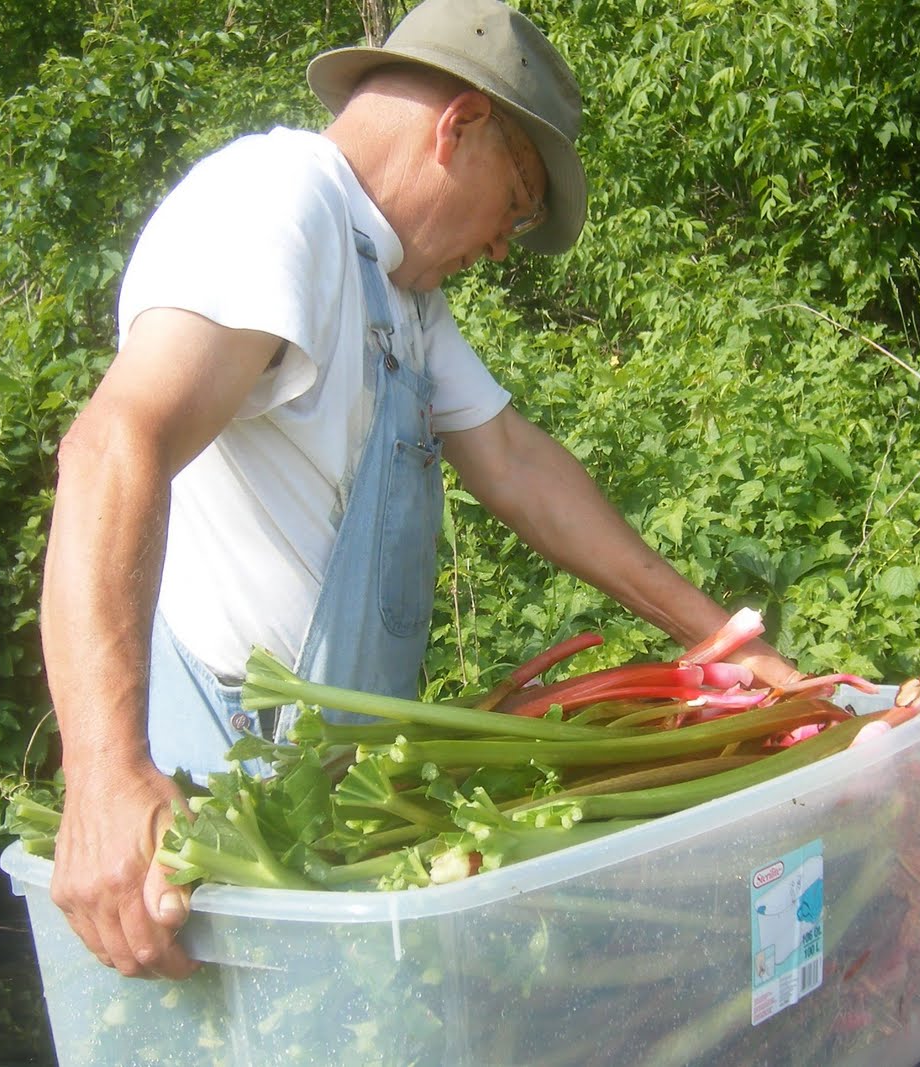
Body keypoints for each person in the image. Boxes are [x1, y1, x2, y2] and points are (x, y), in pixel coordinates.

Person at [39, 0, 803, 981]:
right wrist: (103, 773)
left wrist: (724, 643)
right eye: (516, 206)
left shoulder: (399, 293)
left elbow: (517, 465)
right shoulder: (275, 204)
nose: (500, 246)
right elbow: (112, 443)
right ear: (461, 124)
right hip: (209, 791)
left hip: (329, 794)